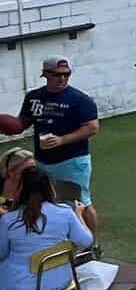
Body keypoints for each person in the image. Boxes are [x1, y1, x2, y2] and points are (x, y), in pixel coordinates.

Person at [0, 166, 94, 290]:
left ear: (20, 189)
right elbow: (86, 241)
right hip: (62, 280)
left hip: (19, 288)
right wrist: (79, 214)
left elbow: (1, 254)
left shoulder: (8, 221)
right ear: (50, 187)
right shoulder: (65, 213)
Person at [12, 56, 99, 232]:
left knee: (80, 203)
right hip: (42, 160)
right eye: (57, 75)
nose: (62, 79)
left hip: (72, 161)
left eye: (67, 74)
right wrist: (9, 126)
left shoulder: (80, 99)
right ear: (45, 74)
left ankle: (93, 244)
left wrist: (62, 140)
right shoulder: (34, 97)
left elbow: (92, 128)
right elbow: (23, 123)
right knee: (45, 201)